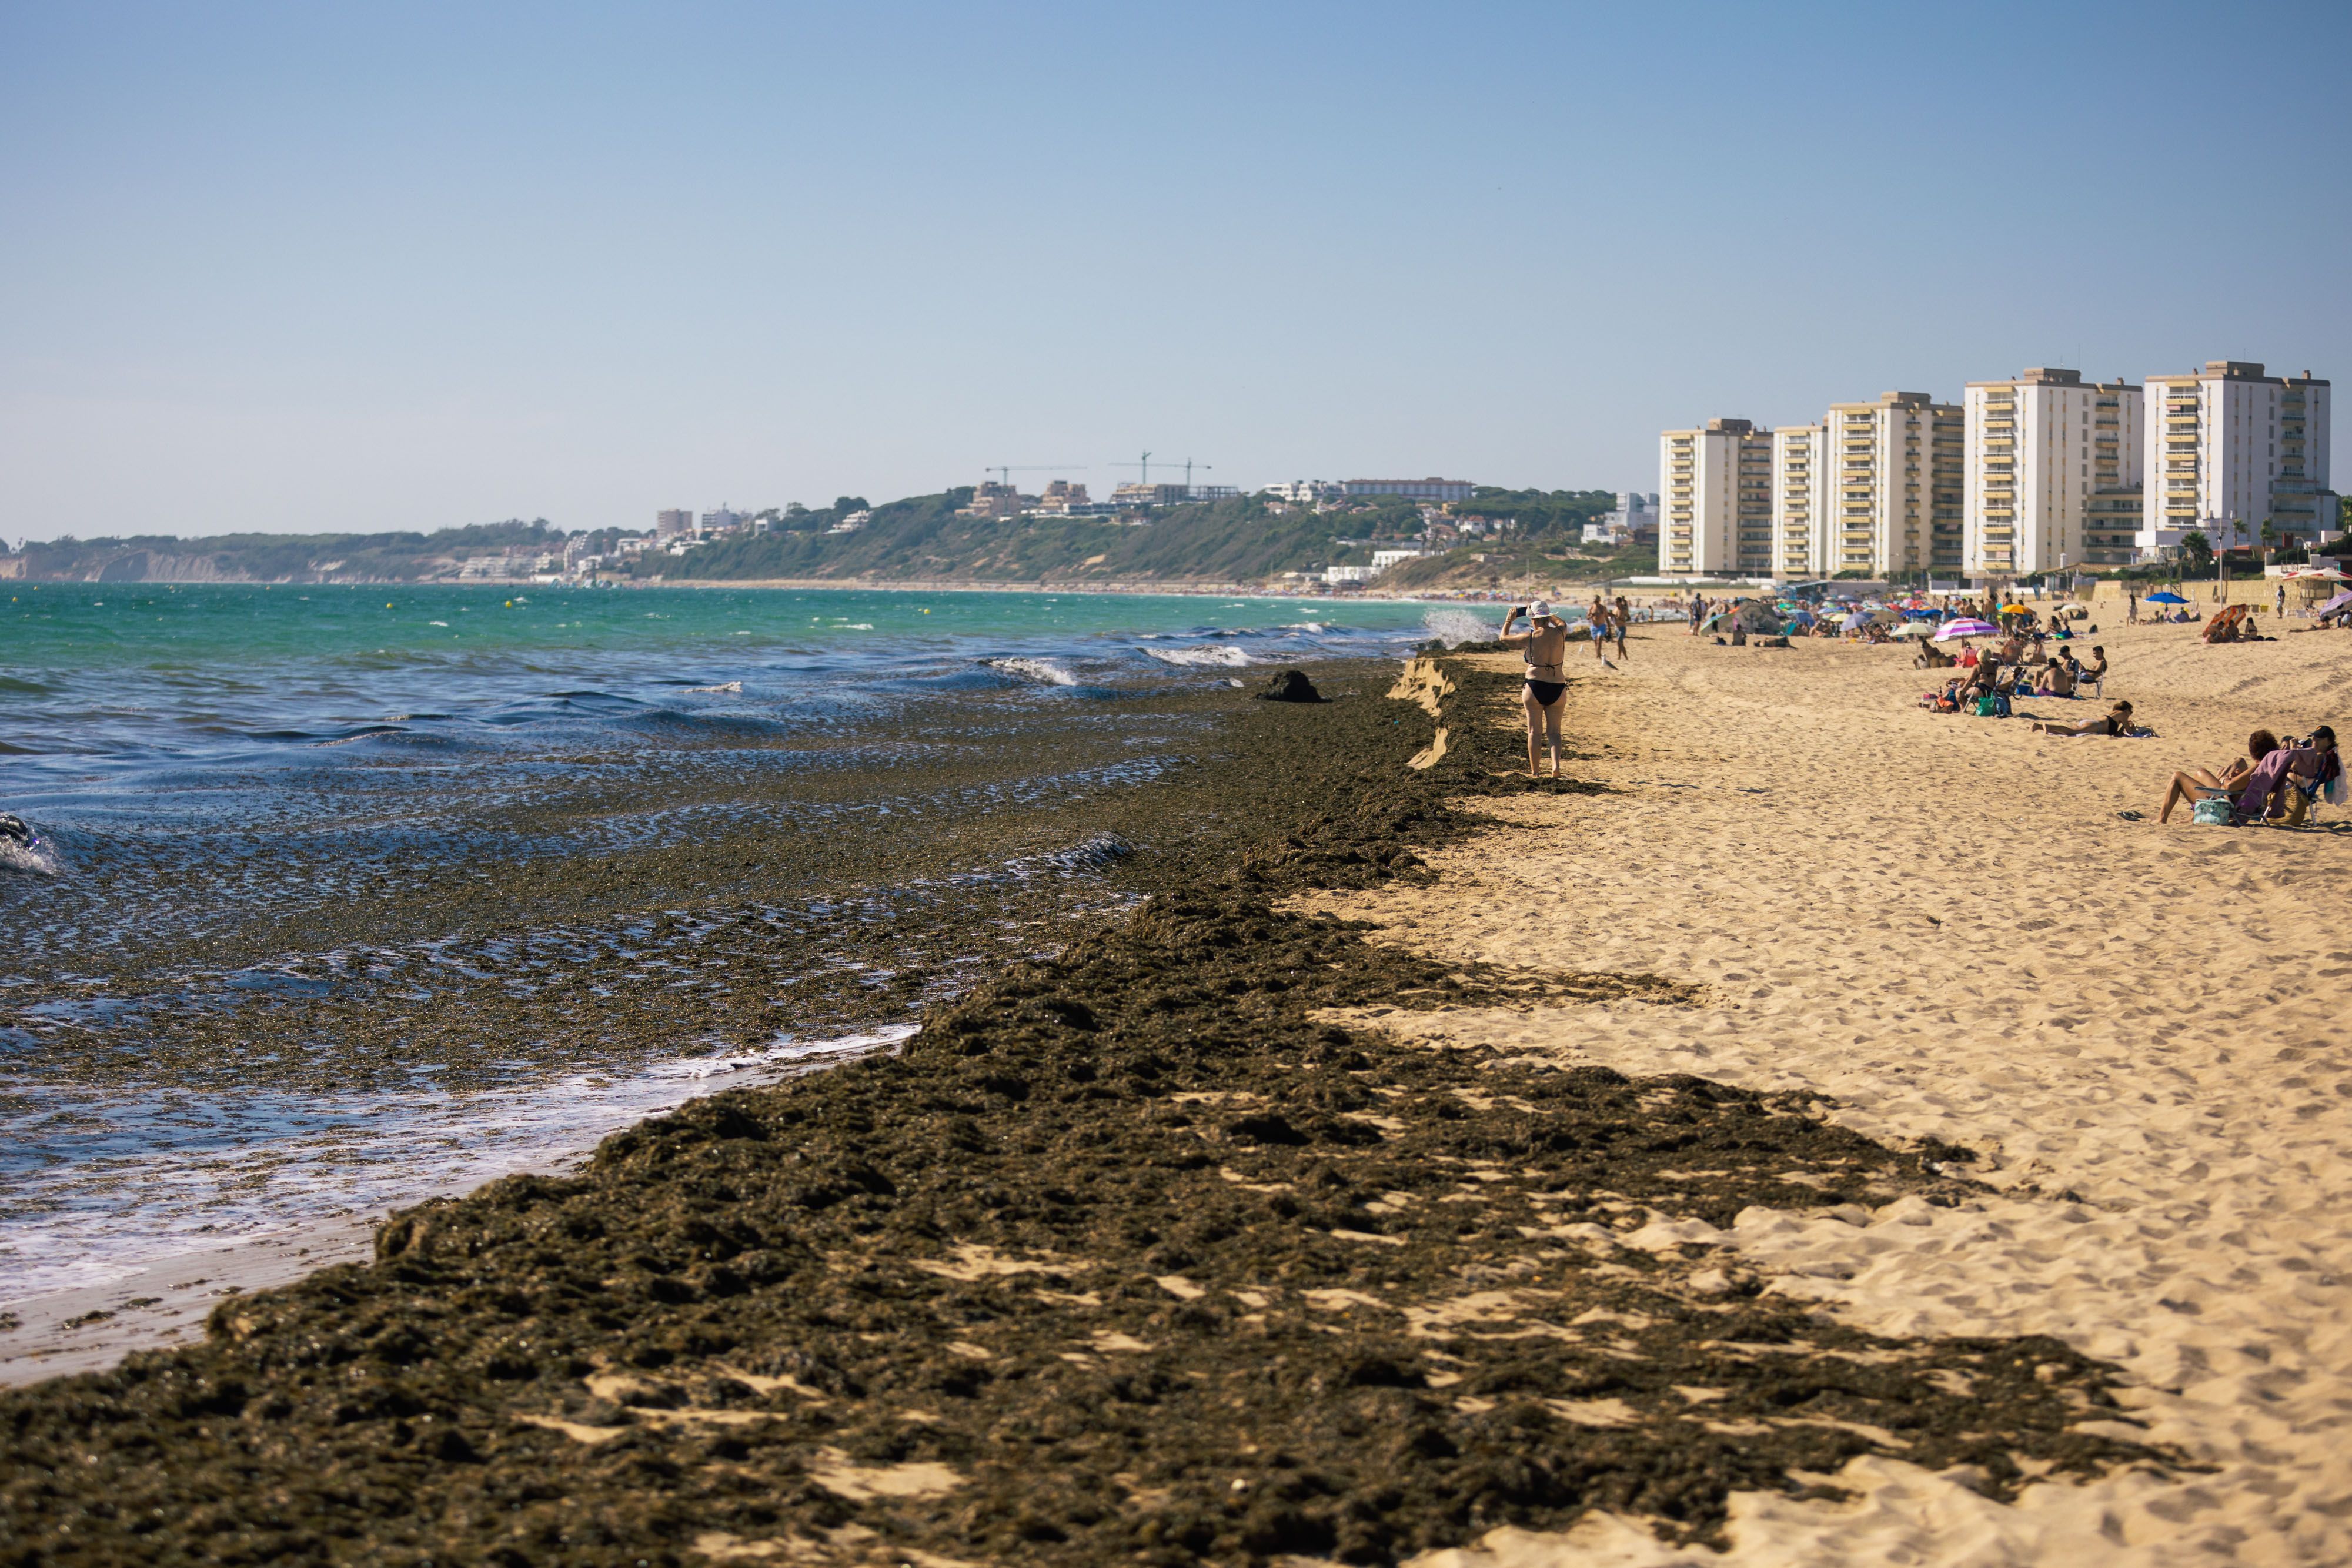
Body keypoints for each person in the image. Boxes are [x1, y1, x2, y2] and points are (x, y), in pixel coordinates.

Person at [1499, 600, 1570, 778]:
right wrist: (1548, 614)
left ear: (1532, 620)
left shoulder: (1529, 637)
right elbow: (1561, 623)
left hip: (1534, 685)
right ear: (1548, 617)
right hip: (1557, 686)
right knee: (1555, 732)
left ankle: (1536, 771)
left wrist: (1509, 620)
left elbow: (1503, 639)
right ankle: (1555, 766)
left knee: (1534, 732)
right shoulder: (1561, 633)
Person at [2155, 730, 2276, 823]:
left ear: (2253, 751)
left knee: (2178, 776)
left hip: (2225, 806)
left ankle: (2162, 819)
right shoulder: (2270, 767)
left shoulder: (2258, 769)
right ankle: (2193, 816)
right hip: (2240, 802)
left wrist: (2225, 779)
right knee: (2201, 772)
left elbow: (2229, 787)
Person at [2032, 699, 2134, 737]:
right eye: (2130, 712)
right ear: (2127, 710)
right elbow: (2130, 732)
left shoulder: (2115, 714)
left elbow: (2117, 735)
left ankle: (2038, 726)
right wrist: (2131, 726)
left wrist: (2122, 727)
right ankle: (2049, 727)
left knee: (2068, 731)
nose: (2130, 715)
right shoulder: (2123, 714)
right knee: (2071, 732)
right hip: (2096, 726)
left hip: (2092, 723)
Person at [1613, 594, 1632, 659]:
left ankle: (1623, 657)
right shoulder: (1615, 609)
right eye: (1615, 602)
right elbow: (1613, 618)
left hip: (1622, 628)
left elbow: (1629, 618)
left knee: (1619, 642)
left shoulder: (1624, 610)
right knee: (1620, 644)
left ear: (1620, 602)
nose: (1616, 604)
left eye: (1617, 602)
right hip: (1616, 628)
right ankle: (1621, 657)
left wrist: (1624, 621)